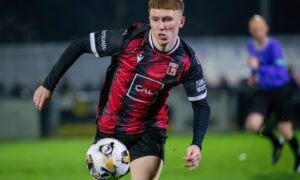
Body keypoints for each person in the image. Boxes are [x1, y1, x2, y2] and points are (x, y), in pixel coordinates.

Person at [33, 0, 211, 179]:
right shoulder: (128, 40)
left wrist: (196, 144)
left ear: (181, 21)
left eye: (167, 19)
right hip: (110, 127)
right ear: (149, 19)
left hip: (148, 130)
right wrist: (49, 85)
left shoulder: (187, 62)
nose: (161, 26)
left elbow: (201, 105)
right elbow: (79, 45)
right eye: (155, 19)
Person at [245, 15, 300, 172]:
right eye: (254, 30)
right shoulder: (251, 45)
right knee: (253, 125)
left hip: (281, 89)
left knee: (286, 131)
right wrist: (253, 75)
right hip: (264, 90)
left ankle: (297, 156)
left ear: (266, 29)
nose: (257, 33)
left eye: (259, 29)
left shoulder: (274, 45)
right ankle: (276, 142)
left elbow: (280, 70)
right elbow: (255, 68)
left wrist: (259, 67)